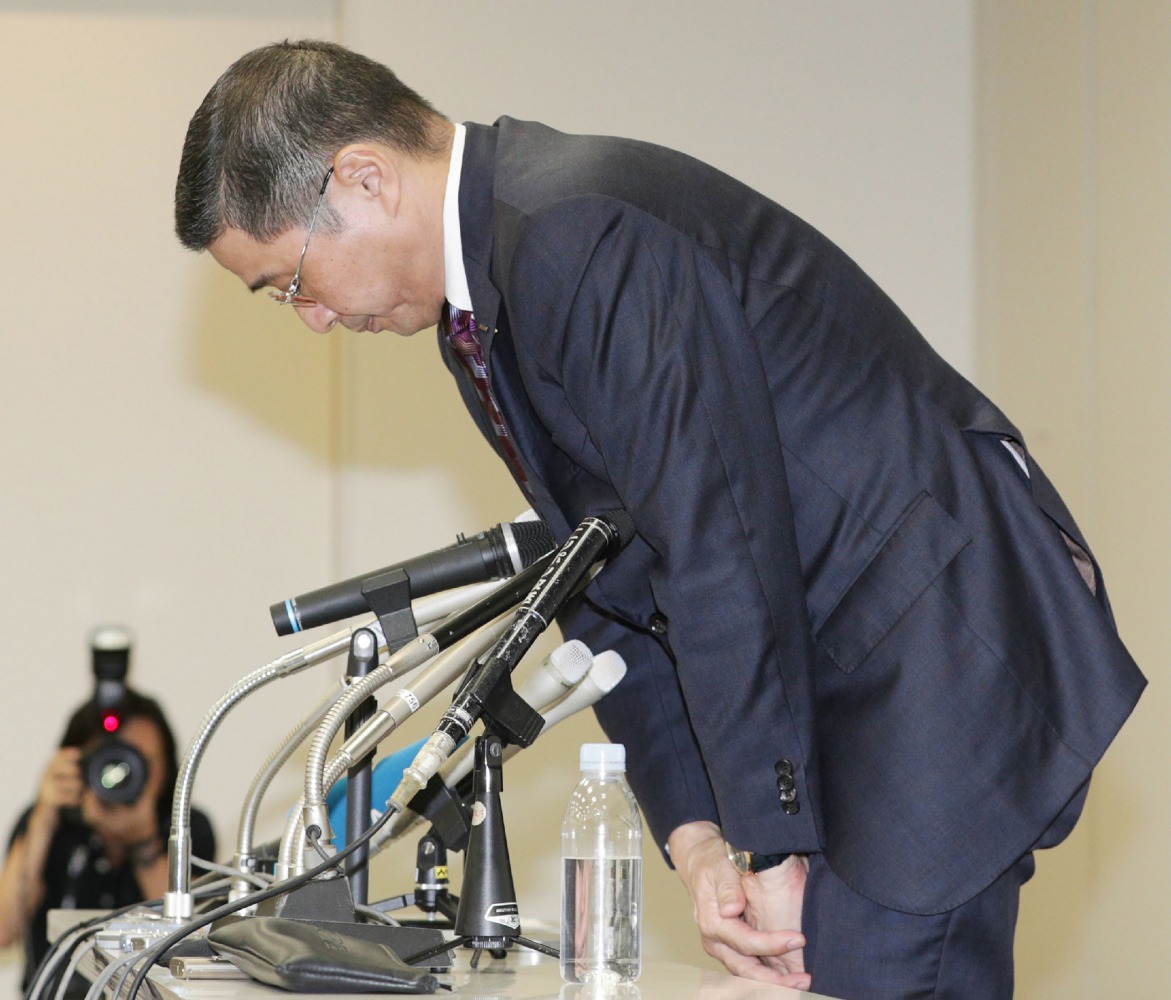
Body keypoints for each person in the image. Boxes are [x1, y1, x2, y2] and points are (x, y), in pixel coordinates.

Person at [173, 40, 1146, 999]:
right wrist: (696, 833)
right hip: (854, 674)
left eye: (291, 280)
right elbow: (599, 576)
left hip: (933, 659)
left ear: (367, 177)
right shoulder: (491, 294)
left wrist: (765, 838)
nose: (310, 317)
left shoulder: (574, 232)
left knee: (862, 977)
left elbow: (716, 538)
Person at [0, 691, 216, 992]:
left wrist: (144, 843)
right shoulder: (48, 823)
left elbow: (198, 936)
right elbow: (4, 931)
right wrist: (44, 818)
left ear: (166, 770)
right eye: (108, 761)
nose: (120, 776)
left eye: (139, 761)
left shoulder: (185, 826)